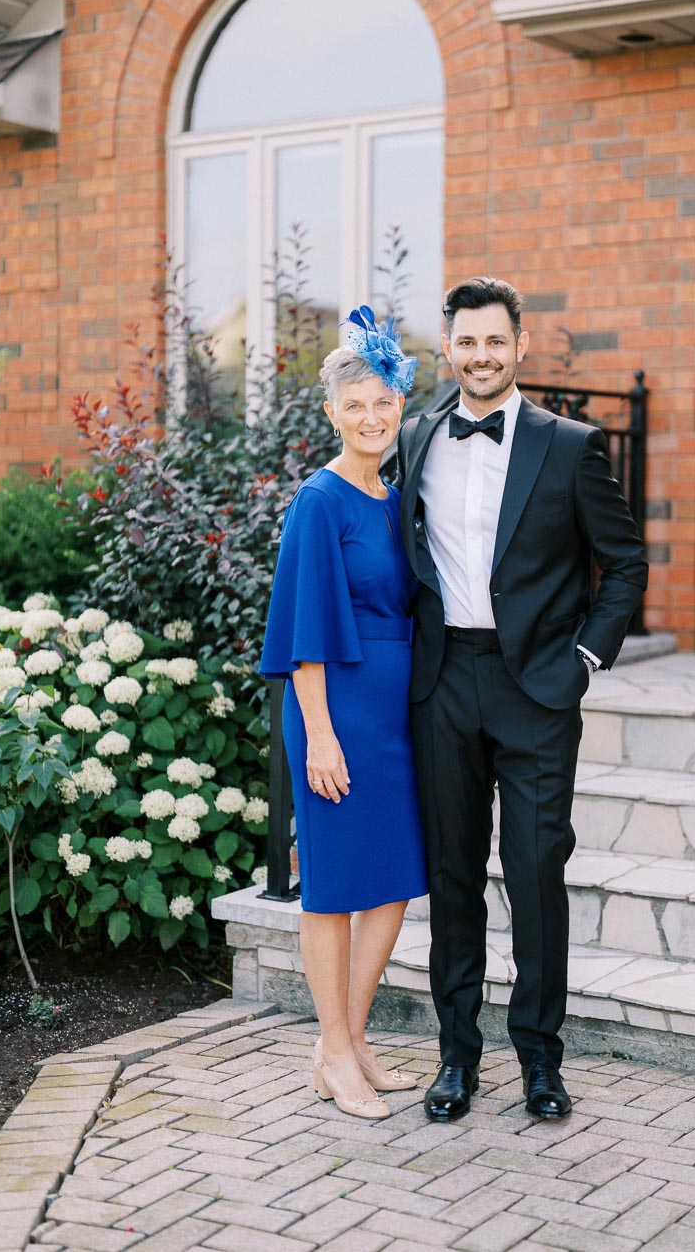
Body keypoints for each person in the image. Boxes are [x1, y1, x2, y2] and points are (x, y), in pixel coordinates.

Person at [397, 276, 648, 1121]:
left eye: (494, 341)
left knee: (537, 872)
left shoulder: (571, 445)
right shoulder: (415, 436)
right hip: (442, 685)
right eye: (466, 342)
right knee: (453, 874)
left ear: (520, 347)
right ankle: (456, 1059)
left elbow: (626, 564)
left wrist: (585, 658)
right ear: (449, 349)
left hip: (538, 686)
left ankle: (542, 1060)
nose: (480, 355)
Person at [260, 306, 428, 1120]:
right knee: (331, 886)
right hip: (337, 712)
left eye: (383, 403)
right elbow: (305, 634)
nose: (370, 417)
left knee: (392, 880)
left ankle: (352, 1040)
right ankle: (332, 1050)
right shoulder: (318, 501)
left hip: (398, 718)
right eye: (354, 405)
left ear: (402, 406)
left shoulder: (395, 499)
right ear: (332, 413)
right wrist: (319, 734)